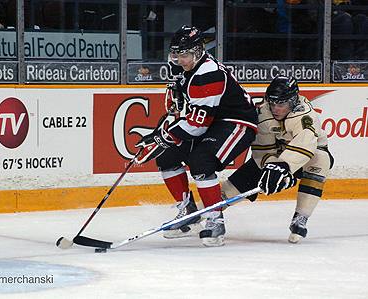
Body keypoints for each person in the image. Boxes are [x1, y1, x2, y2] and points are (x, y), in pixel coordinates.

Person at [134, 25, 258, 247]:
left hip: (238, 123)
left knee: (201, 161)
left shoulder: (207, 75)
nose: (180, 59)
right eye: (176, 54)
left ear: (199, 52)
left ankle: (215, 220)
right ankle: (189, 214)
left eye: (185, 54)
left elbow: (197, 125)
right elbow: (183, 107)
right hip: (212, 121)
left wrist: (161, 137)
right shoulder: (181, 65)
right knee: (167, 157)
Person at [220, 76, 334, 243]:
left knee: (321, 160)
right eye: (272, 103)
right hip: (277, 158)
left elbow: (305, 145)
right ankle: (200, 213)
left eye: (281, 104)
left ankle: (301, 217)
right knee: (239, 182)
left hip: (305, 158)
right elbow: (262, 150)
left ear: (293, 101)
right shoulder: (263, 114)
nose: (276, 109)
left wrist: (284, 168)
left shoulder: (304, 114)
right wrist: (272, 167)